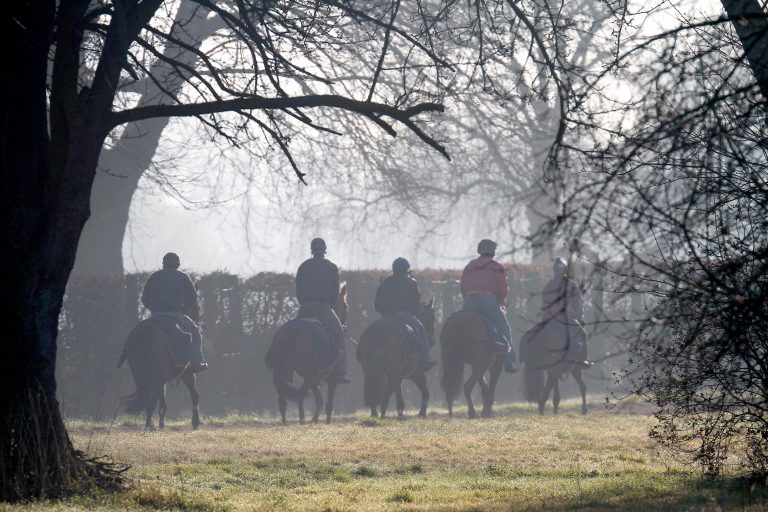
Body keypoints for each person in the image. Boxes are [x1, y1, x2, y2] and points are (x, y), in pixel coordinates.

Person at [141, 252, 208, 372]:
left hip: (155, 317)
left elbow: (144, 299)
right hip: (176, 315)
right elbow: (193, 298)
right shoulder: (183, 277)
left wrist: (154, 310)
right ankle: (198, 362)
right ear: (177, 265)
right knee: (196, 333)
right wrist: (183, 311)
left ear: (163, 264)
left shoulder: (154, 276)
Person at [295, 238, 349, 383]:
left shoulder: (303, 266)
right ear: (325, 250)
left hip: (305, 307)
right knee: (339, 334)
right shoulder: (331, 267)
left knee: (291, 332)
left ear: (311, 250)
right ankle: (340, 372)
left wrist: (305, 304)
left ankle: (283, 367)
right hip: (323, 308)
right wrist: (329, 306)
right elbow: (334, 294)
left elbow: (298, 291)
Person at [460, 239, 517, 372]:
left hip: (470, 302)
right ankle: (509, 362)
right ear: (491, 251)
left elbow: (463, 287)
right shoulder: (496, 267)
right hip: (488, 302)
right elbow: (503, 289)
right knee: (504, 329)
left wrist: (468, 301)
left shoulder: (469, 266)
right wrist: (500, 302)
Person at [374, 257, 436, 370]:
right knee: (422, 330)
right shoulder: (412, 282)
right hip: (405, 316)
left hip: (386, 317)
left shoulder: (386, 282)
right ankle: (426, 359)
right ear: (407, 269)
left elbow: (377, 305)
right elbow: (415, 306)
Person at [541, 257, 591, 366]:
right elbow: (577, 304)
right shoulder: (572, 285)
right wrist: (578, 316)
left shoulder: (548, 285)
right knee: (582, 333)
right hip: (566, 319)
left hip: (549, 319)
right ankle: (583, 360)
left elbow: (544, 305)